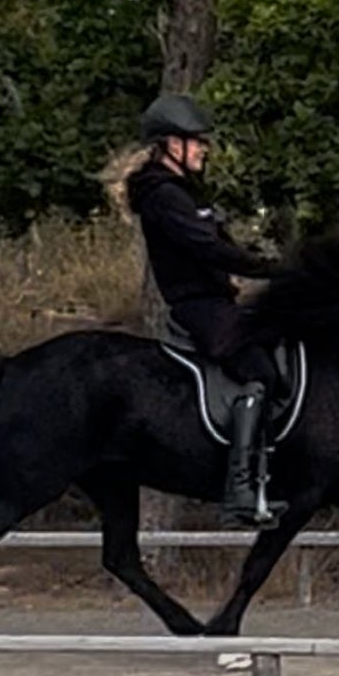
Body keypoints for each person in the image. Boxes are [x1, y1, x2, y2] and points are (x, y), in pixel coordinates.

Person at [126, 92, 286, 525]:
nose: (204, 148)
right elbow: (207, 248)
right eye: (196, 141)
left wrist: (270, 266)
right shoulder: (163, 195)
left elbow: (224, 244)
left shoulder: (189, 194)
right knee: (259, 371)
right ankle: (240, 489)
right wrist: (271, 269)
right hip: (199, 307)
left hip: (219, 300)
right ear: (170, 145)